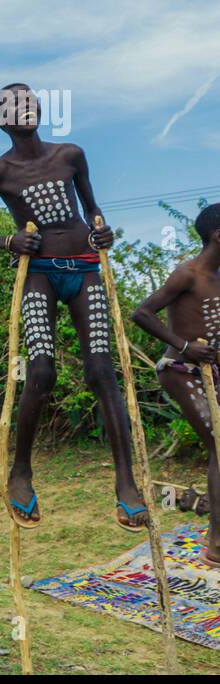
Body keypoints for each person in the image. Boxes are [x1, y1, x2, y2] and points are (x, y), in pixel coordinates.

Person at [0, 83, 147, 530]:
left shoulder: (71, 155)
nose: (23, 108)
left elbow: (94, 213)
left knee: (101, 371)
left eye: (28, 100)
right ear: (0, 120)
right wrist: (6, 241)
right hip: (40, 274)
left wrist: (103, 233)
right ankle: (22, 472)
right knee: (41, 371)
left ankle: (126, 482)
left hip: (87, 269)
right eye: (11, 105)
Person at [131, 203, 220, 564]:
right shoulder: (188, 274)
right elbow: (141, 312)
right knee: (219, 443)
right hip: (181, 369)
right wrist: (186, 348)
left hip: (212, 374)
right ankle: (216, 542)